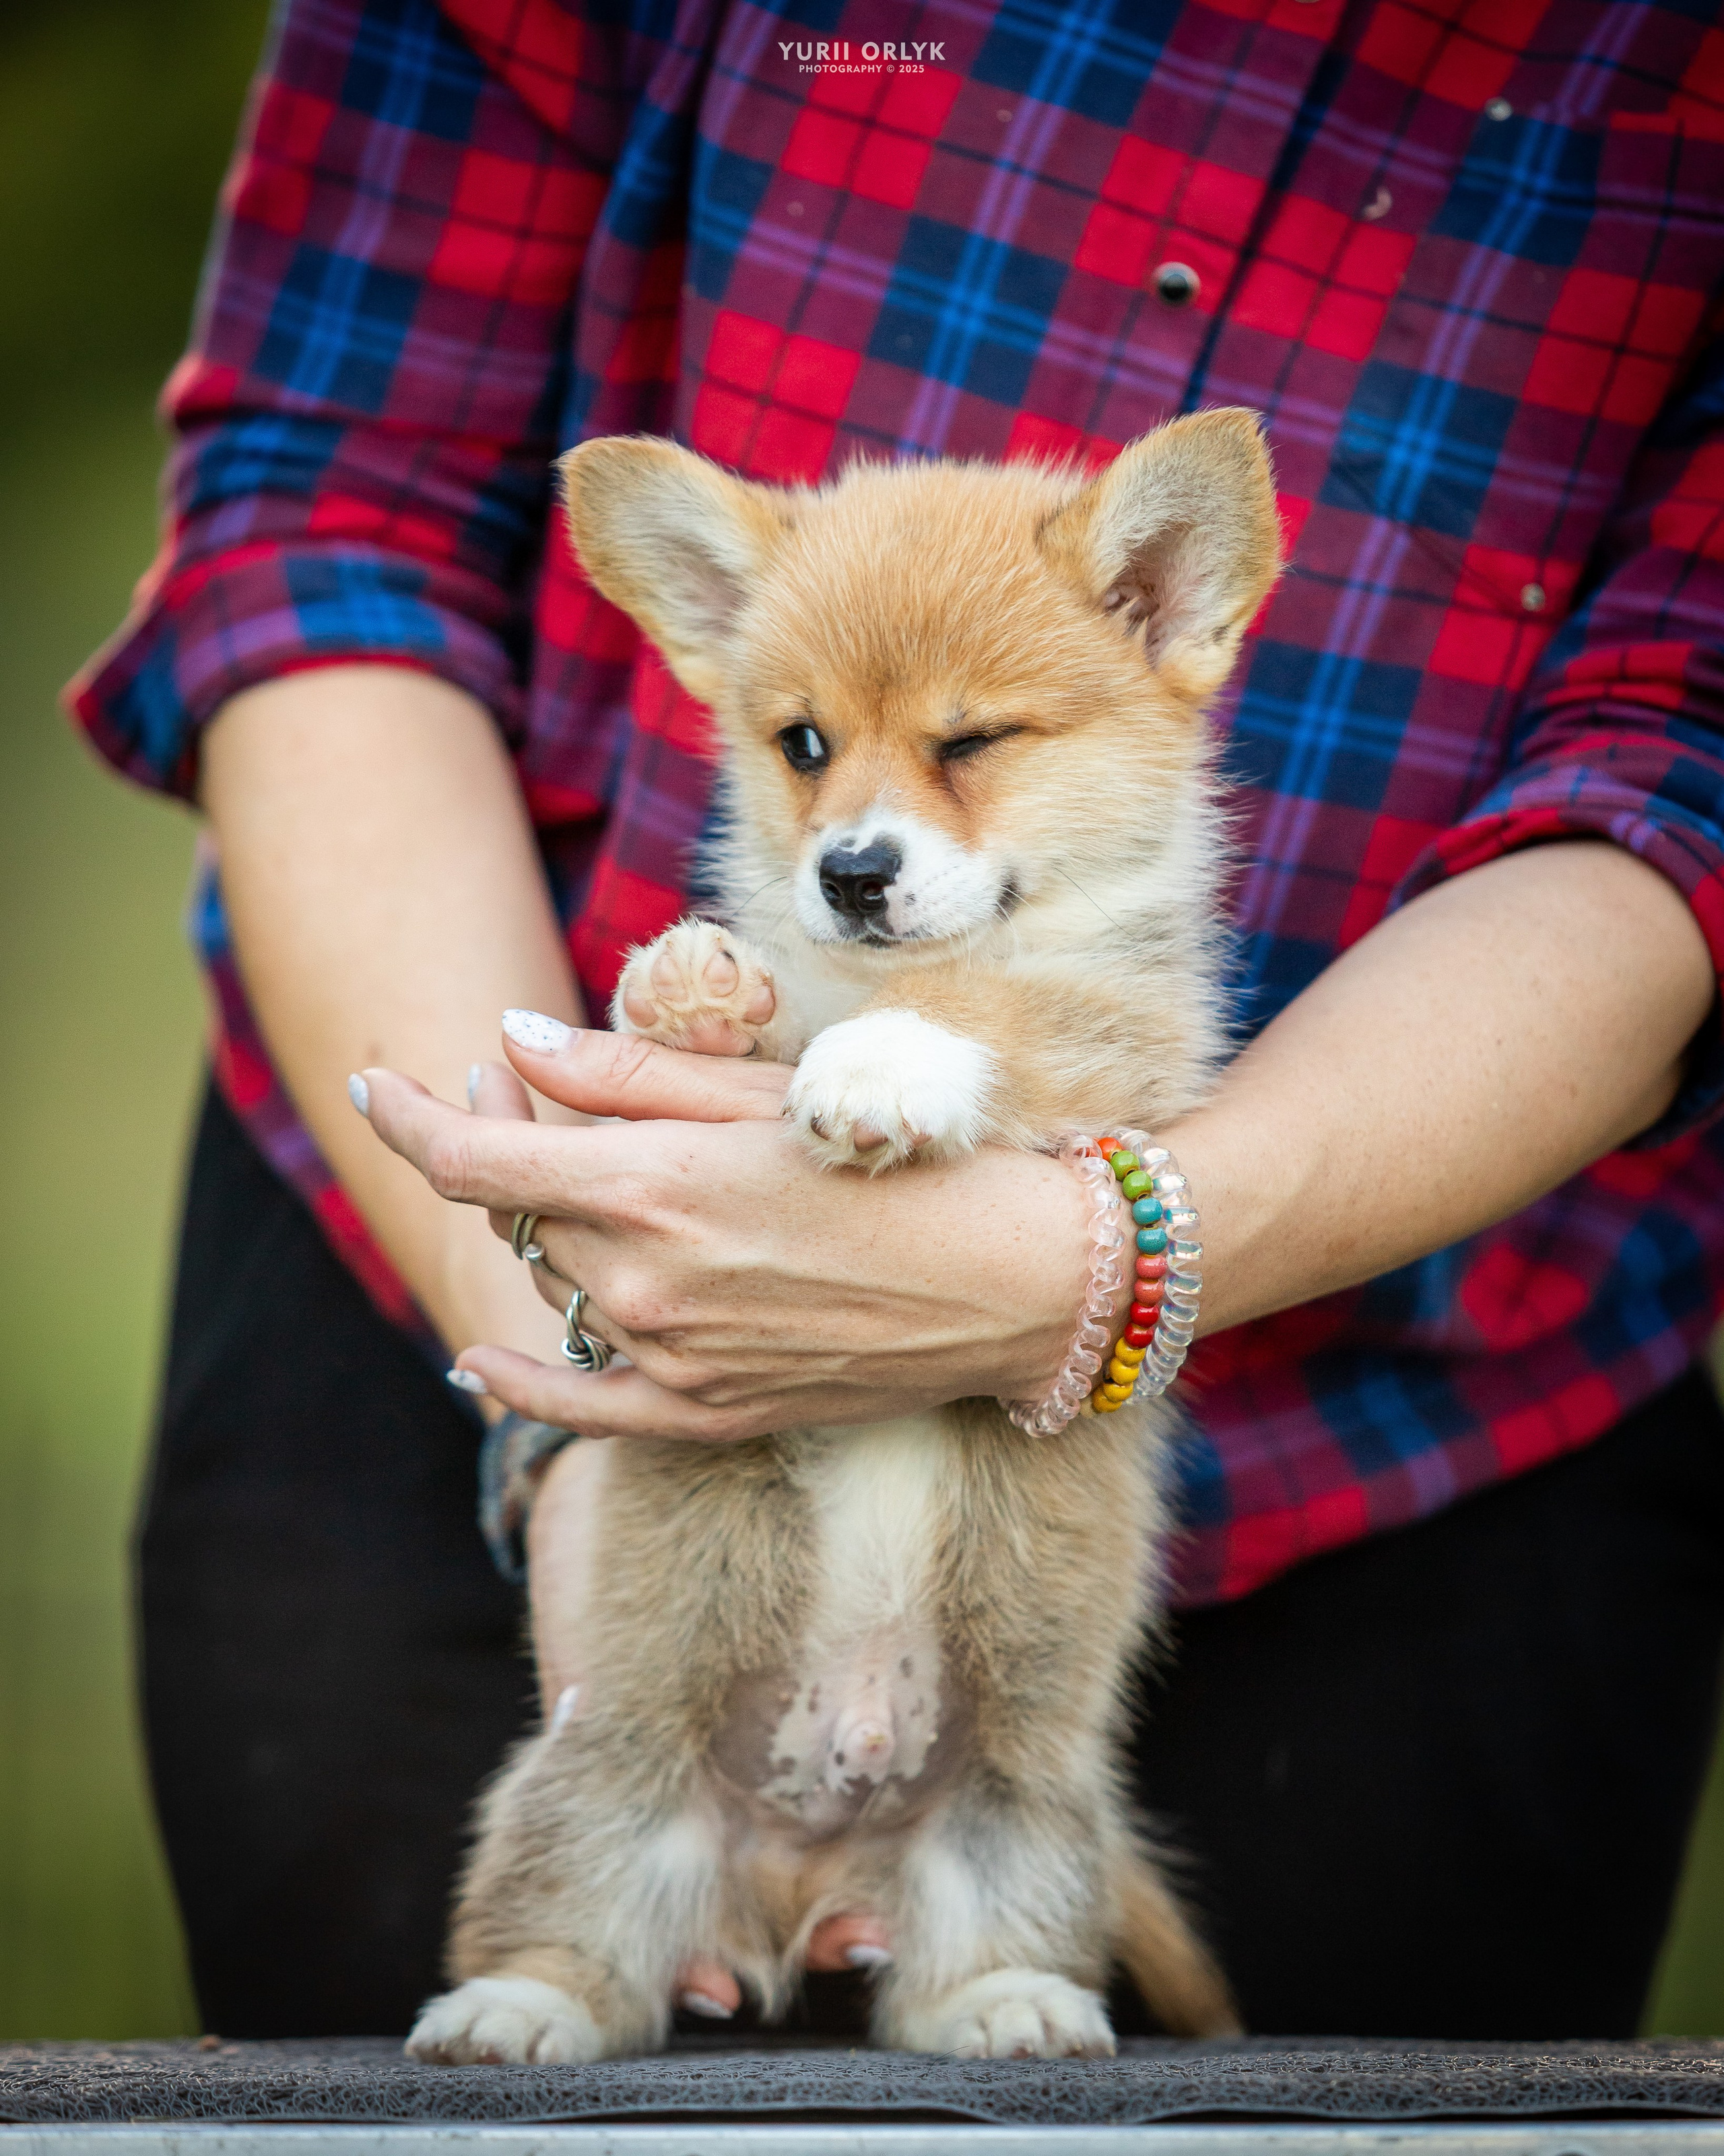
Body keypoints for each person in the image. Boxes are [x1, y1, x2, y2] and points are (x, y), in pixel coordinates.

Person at [72, 0, 1724, 2041]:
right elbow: (329, 501)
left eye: (963, 751)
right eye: (804, 749)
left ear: (1172, 610)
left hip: (1423, 1444)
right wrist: (565, 1374)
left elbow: (1690, 754)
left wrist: (1106, 1246)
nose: (863, 832)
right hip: (451, 1336)